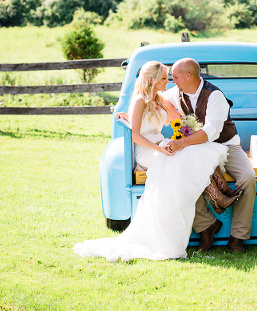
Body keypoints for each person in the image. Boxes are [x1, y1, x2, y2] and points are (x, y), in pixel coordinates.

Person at [73, 61, 240, 261]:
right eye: (164, 78)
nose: (168, 82)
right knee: (181, 158)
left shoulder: (160, 99)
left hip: (159, 144)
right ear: (152, 80)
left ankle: (216, 203)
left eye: (169, 78)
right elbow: (135, 135)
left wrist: (164, 107)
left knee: (194, 149)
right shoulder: (139, 101)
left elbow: (176, 117)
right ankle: (215, 203)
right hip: (146, 150)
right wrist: (158, 147)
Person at [163, 57, 257, 254]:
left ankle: (238, 237)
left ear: (188, 76)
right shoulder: (174, 93)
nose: (173, 81)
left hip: (226, 145)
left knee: (248, 178)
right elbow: (155, 100)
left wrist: (182, 142)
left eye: (175, 77)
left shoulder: (215, 96)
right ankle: (206, 226)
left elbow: (211, 131)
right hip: (195, 150)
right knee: (183, 176)